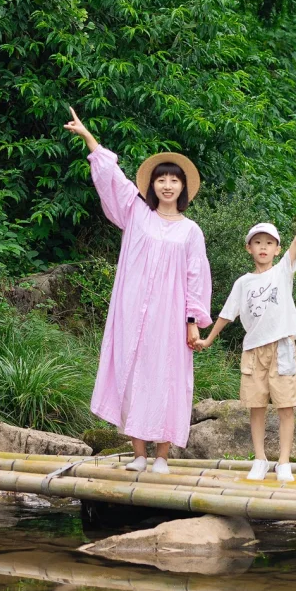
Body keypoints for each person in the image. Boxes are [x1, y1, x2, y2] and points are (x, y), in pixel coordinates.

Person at [64, 109, 212, 471]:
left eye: (173, 180)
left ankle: (163, 455)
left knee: (168, 376)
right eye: (161, 179)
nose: (166, 185)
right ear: (152, 185)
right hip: (133, 309)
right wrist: (89, 138)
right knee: (134, 370)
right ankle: (139, 454)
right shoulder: (135, 212)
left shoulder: (190, 231)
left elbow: (196, 277)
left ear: (183, 187)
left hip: (171, 315)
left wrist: (192, 321)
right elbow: (112, 179)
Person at [190, 195, 296, 482]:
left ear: (277, 250)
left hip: (282, 348)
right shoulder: (243, 282)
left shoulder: (283, 272)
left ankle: (283, 462)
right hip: (253, 351)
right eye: (258, 243)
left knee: (286, 406)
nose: (263, 247)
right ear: (249, 248)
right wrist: (208, 340)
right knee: (256, 406)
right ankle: (260, 459)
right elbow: (227, 315)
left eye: (269, 243)